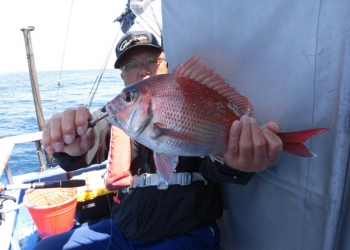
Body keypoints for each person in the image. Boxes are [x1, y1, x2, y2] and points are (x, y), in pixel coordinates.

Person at [35, 31, 283, 250]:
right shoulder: (118, 116)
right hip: (121, 232)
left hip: (185, 235)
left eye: (152, 60)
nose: (143, 69)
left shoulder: (185, 98)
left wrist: (236, 162)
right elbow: (86, 147)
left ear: (165, 64)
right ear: (122, 77)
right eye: (131, 65)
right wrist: (68, 147)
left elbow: (215, 167)